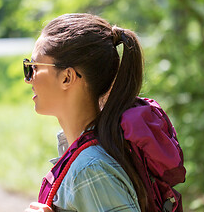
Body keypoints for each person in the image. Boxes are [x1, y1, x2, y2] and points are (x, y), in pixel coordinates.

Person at [23, 13, 184, 212]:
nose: (28, 79)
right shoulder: (91, 151)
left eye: (33, 67)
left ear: (67, 77)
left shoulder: (89, 168)